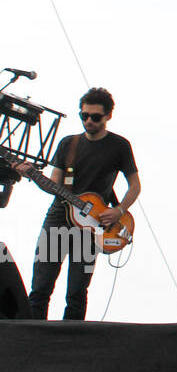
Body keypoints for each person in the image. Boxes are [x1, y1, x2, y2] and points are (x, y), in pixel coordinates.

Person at [15, 87, 140, 320]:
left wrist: (118, 211)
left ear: (108, 116)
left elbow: (135, 186)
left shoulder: (119, 146)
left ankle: (71, 347)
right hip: (58, 219)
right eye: (84, 115)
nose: (88, 121)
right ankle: (32, 342)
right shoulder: (68, 144)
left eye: (95, 117)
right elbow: (53, 184)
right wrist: (32, 174)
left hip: (94, 226)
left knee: (76, 292)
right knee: (41, 286)